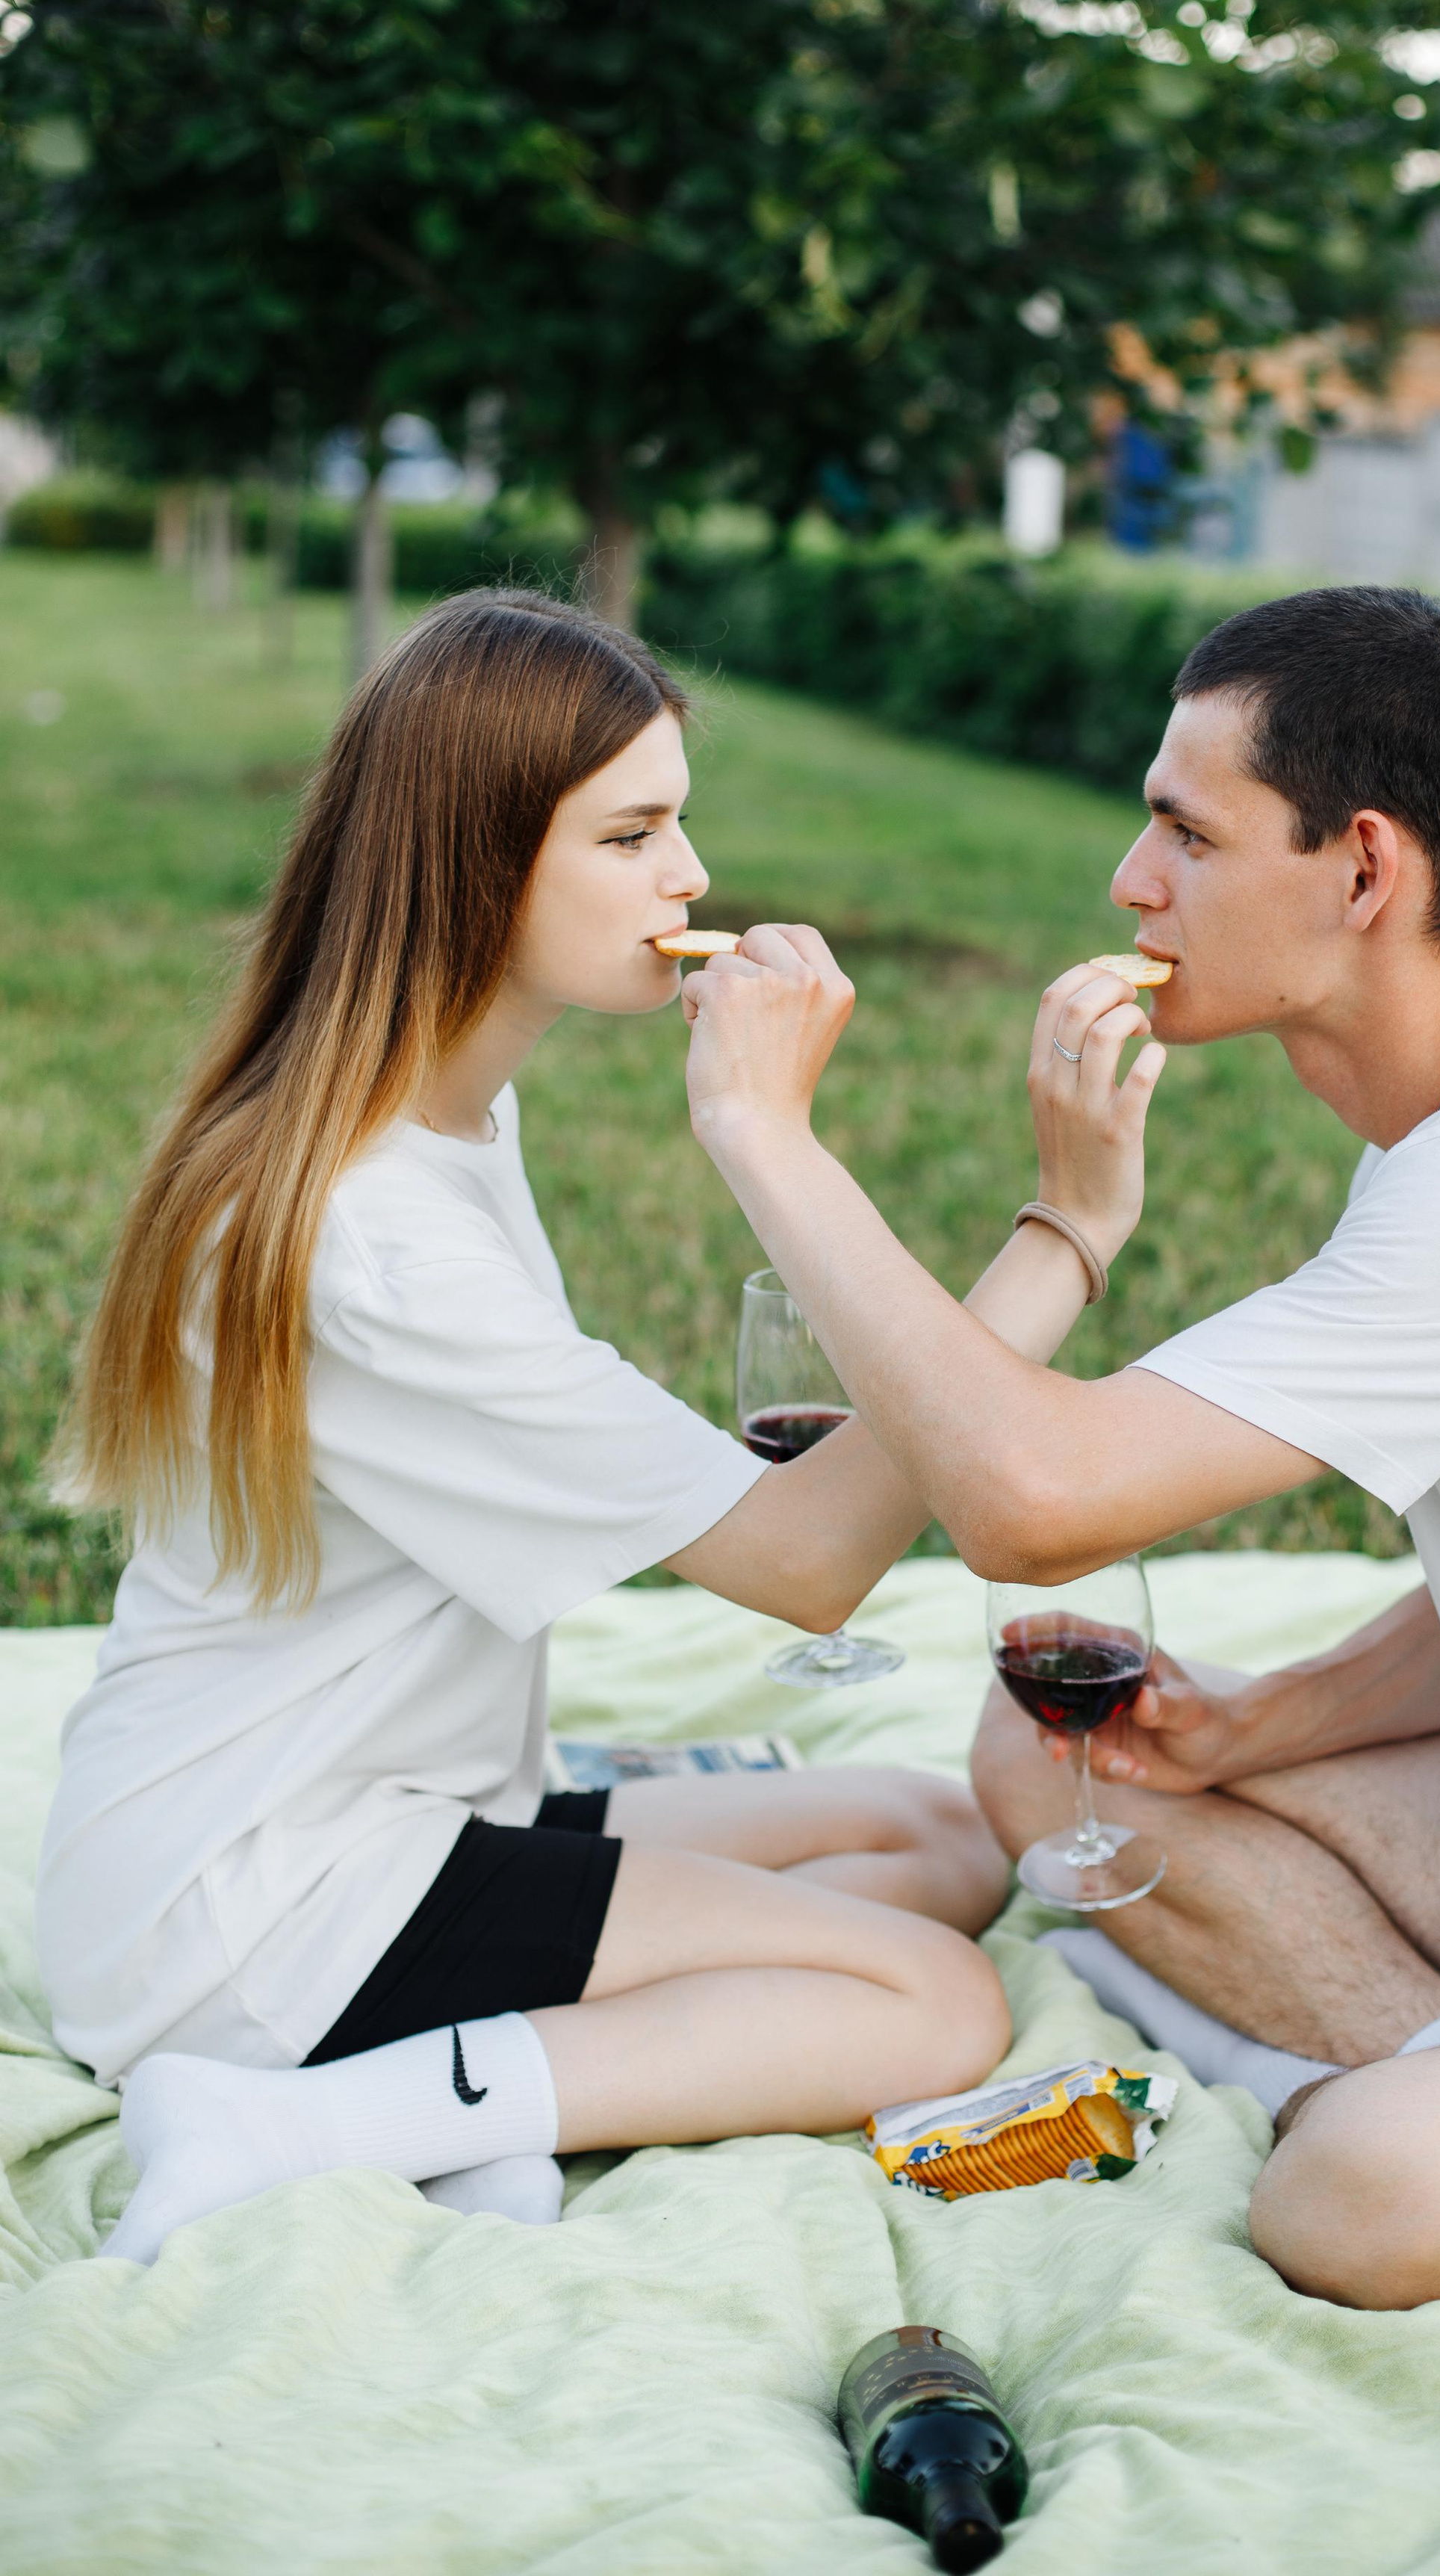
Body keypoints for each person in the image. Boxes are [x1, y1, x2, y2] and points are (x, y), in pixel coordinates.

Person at [676, 583, 1440, 2311]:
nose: (1130, 880)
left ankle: (1413, 2106)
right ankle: (1433, 2055)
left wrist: (763, 1132)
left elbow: (1031, 1500)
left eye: (1184, 830)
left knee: (1357, 2202)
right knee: (1055, 1763)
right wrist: (1261, 1726)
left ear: (1361, 873)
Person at [43, 587, 1152, 2267]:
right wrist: (1036, 1224)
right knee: (929, 2005)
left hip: (403, 1808)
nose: (690, 879)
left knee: (930, 1834)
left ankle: (511, 2069)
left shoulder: (437, 1116)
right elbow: (806, 1560)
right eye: (633, 833)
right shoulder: (376, 1243)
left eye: (677, 823)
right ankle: (311, 2118)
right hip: (264, 1908)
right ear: (478, 862)